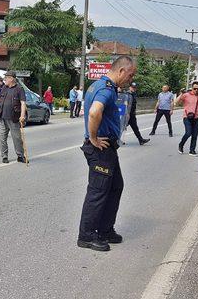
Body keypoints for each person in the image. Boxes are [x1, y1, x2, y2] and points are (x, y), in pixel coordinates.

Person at [78, 56, 136, 252]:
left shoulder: (98, 85)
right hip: (100, 148)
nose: (130, 79)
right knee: (98, 191)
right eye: (130, 75)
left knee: (115, 186)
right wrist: (93, 138)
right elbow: (95, 112)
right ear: (121, 71)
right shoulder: (106, 89)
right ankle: (86, 235)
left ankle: (105, 230)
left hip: (108, 148)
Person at [0, 71, 27, 163]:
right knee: (1, 138)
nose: (4, 79)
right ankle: (4, 156)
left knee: (17, 139)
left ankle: (20, 156)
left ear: (11, 78)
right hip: (2, 117)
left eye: (6, 77)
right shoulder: (4, 88)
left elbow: (23, 103)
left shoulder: (19, 89)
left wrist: (22, 116)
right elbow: (0, 98)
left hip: (13, 118)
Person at [175, 82, 198, 156]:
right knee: (188, 133)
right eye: (194, 88)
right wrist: (181, 94)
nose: (196, 90)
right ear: (192, 88)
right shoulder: (186, 95)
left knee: (195, 135)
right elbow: (176, 102)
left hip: (197, 118)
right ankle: (181, 145)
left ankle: (192, 150)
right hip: (187, 117)